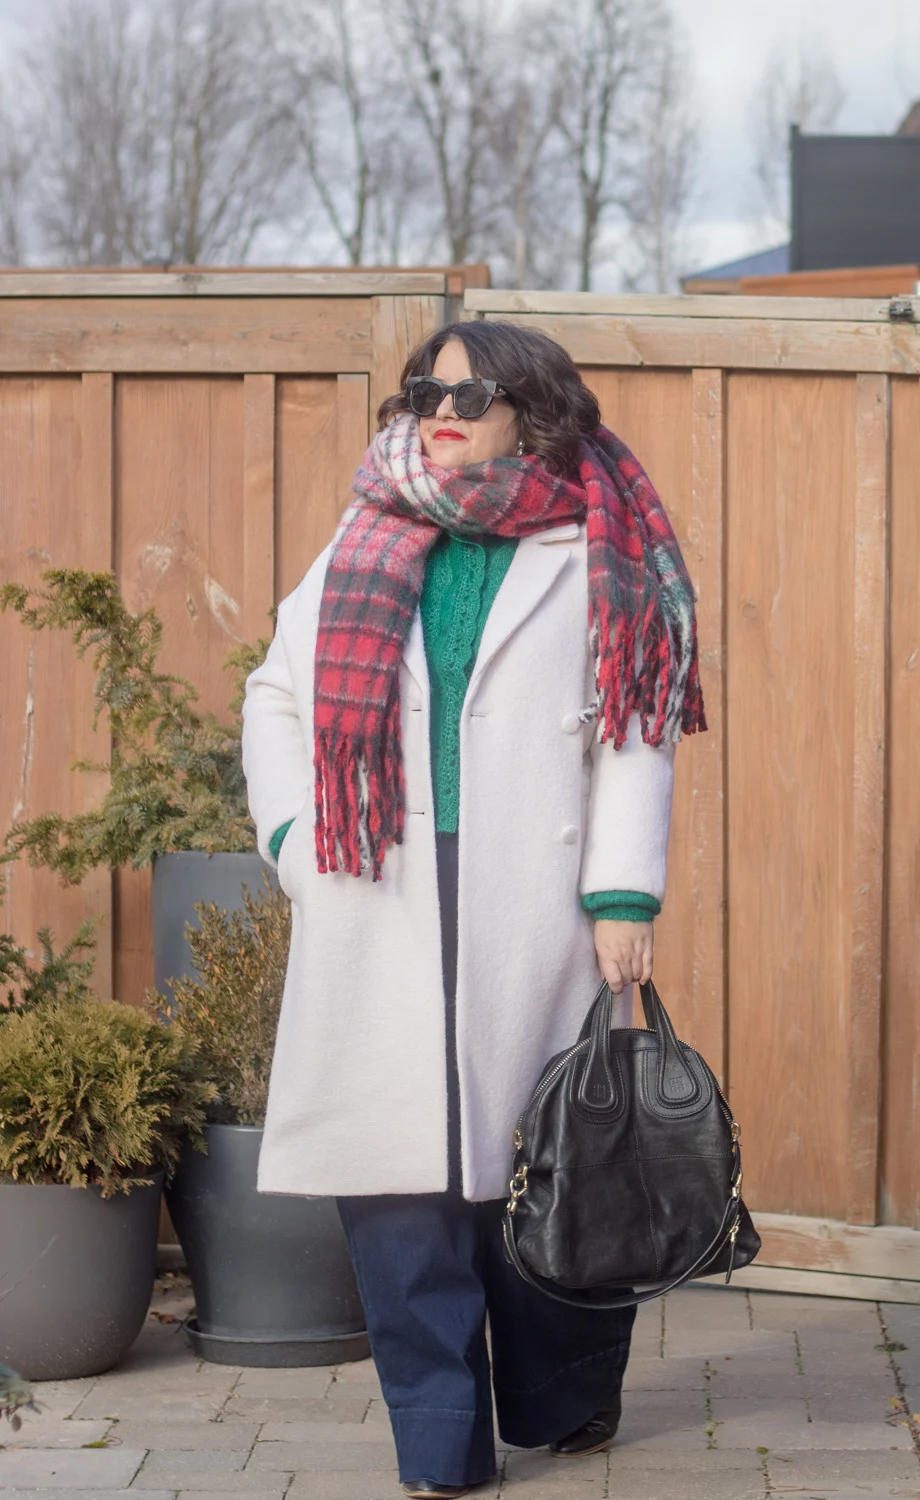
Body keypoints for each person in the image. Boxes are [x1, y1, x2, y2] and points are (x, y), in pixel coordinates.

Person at [241, 320, 705, 1499]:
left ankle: (559, 1398)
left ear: (532, 409)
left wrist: (619, 891)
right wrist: (296, 838)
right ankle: (439, 1442)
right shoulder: (365, 530)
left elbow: (632, 723)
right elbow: (276, 694)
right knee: (397, 1182)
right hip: (375, 886)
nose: (442, 409)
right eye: (425, 391)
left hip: (527, 896)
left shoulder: (594, 540)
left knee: (543, 1165)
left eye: (472, 391)